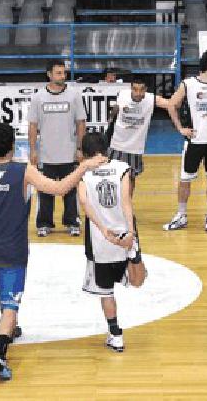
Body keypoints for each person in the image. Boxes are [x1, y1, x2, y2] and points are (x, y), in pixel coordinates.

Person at [0, 123, 108, 381]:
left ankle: (11, 327)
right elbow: (58, 189)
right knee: (10, 306)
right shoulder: (23, 172)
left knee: (2, 281)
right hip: (13, 249)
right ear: (13, 146)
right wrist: (83, 167)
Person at [77, 133, 147, 353]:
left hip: (101, 240)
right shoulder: (122, 167)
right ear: (106, 149)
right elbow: (127, 201)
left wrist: (104, 229)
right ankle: (134, 256)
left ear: (84, 152)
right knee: (137, 281)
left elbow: (84, 204)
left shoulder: (84, 172)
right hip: (125, 234)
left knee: (106, 292)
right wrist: (130, 231)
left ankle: (116, 334)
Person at [163, 50, 207, 232]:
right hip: (194, 141)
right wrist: (180, 128)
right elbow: (172, 105)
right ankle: (181, 215)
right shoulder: (188, 84)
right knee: (185, 180)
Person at [28, 60, 87, 237]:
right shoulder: (38, 97)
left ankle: (72, 221)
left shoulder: (74, 95)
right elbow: (32, 125)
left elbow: (80, 123)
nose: (63, 76)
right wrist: (33, 150)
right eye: (59, 73)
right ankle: (44, 223)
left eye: (64, 72)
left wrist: (79, 148)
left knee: (70, 190)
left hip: (69, 153)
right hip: (46, 154)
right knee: (45, 190)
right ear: (49, 74)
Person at [104, 75, 184, 196]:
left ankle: (127, 208)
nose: (138, 93)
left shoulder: (151, 99)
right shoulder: (121, 95)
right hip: (116, 145)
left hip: (135, 148)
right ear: (131, 88)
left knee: (130, 179)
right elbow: (112, 116)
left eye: (141, 89)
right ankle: (114, 209)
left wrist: (182, 91)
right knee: (112, 179)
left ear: (146, 89)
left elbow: (173, 105)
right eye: (135, 89)